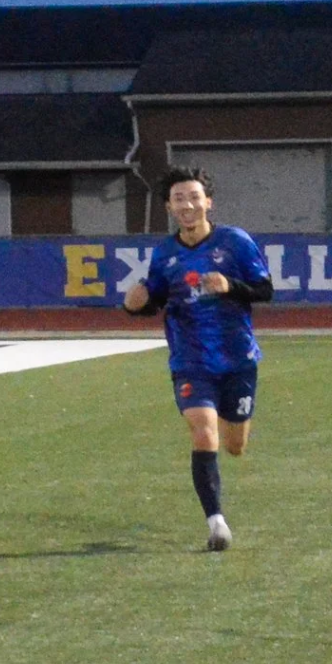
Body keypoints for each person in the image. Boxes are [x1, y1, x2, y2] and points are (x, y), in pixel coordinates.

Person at [121, 168, 273, 551]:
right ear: (169, 207)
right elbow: (156, 297)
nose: (187, 205)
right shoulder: (165, 253)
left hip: (238, 358)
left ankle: (226, 424)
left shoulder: (235, 242)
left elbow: (264, 289)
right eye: (179, 199)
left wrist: (230, 286)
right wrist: (135, 305)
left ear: (208, 202)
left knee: (235, 445)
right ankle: (216, 523)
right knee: (204, 433)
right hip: (190, 359)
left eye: (193, 197)